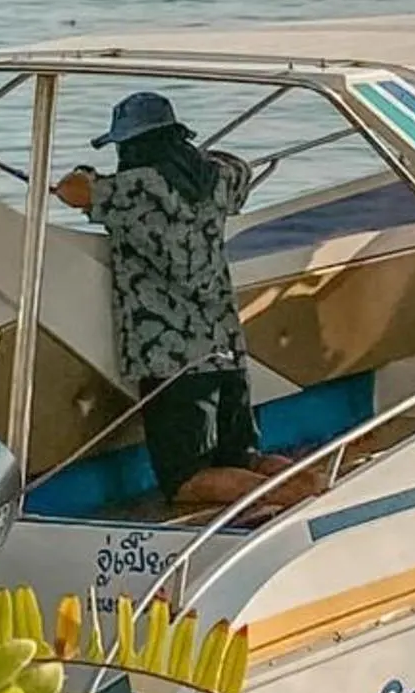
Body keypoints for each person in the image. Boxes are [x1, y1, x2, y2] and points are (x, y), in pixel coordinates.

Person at [54, 91, 293, 515]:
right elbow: (241, 166)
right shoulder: (218, 181)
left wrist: (86, 171)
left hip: (173, 359)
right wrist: (196, 158)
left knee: (187, 479)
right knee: (244, 458)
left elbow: (72, 191)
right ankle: (314, 487)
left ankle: (293, 502)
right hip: (226, 348)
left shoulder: (134, 189)